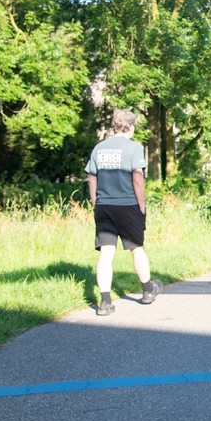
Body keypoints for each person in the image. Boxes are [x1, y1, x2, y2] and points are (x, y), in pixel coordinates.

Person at [86, 109, 160, 316]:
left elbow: (91, 178)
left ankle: (105, 302)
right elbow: (137, 179)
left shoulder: (99, 148)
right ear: (129, 127)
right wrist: (141, 205)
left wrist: (96, 203)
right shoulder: (134, 148)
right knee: (137, 248)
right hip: (127, 205)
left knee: (106, 253)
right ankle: (147, 290)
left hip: (104, 206)